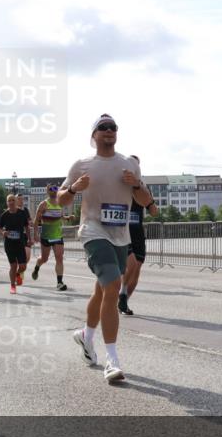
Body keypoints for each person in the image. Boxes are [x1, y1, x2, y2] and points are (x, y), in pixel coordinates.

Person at [60, 113, 146, 383]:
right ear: (94, 135)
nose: (109, 130)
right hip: (92, 231)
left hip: (120, 235)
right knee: (112, 286)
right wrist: (73, 189)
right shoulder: (82, 165)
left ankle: (86, 336)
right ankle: (112, 360)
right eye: (103, 127)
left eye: (113, 127)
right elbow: (60, 200)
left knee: (102, 290)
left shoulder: (129, 164)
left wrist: (137, 184)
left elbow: (145, 200)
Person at [119, 155, 159, 315]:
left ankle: (123, 302)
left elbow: (154, 211)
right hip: (122, 231)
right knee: (132, 264)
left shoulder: (142, 187)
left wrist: (150, 203)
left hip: (138, 232)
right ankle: (122, 291)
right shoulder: (119, 184)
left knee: (137, 270)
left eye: (136, 165)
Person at [32, 184, 68, 291]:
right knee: (44, 258)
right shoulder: (43, 204)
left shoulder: (60, 203)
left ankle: (59, 282)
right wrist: (35, 234)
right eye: (51, 189)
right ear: (47, 191)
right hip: (46, 236)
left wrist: (67, 218)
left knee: (59, 257)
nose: (54, 190)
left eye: (56, 188)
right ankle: (37, 267)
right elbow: (36, 220)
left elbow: (60, 216)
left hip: (57, 235)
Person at [0, 194, 30, 294]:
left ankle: (18, 275)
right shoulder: (4, 215)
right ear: (7, 203)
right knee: (13, 266)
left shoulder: (22, 213)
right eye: (9, 200)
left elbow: (27, 227)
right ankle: (12, 286)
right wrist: (3, 232)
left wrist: (29, 239)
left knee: (23, 266)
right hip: (9, 244)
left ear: (16, 202)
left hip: (20, 243)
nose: (11, 202)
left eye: (13, 200)